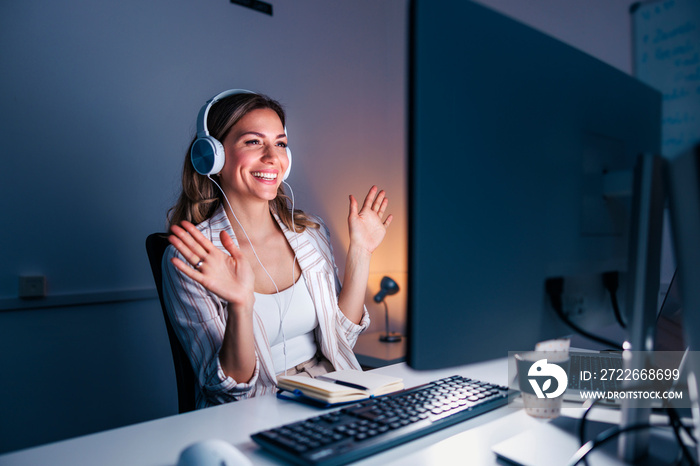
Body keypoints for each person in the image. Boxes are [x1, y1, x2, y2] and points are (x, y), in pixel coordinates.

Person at [162, 90, 392, 408]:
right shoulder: (193, 255)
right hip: (253, 411)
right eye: (253, 142)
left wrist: (361, 253)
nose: (273, 157)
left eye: (280, 144)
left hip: (334, 394)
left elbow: (343, 340)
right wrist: (241, 304)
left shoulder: (310, 233)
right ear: (212, 155)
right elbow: (230, 388)